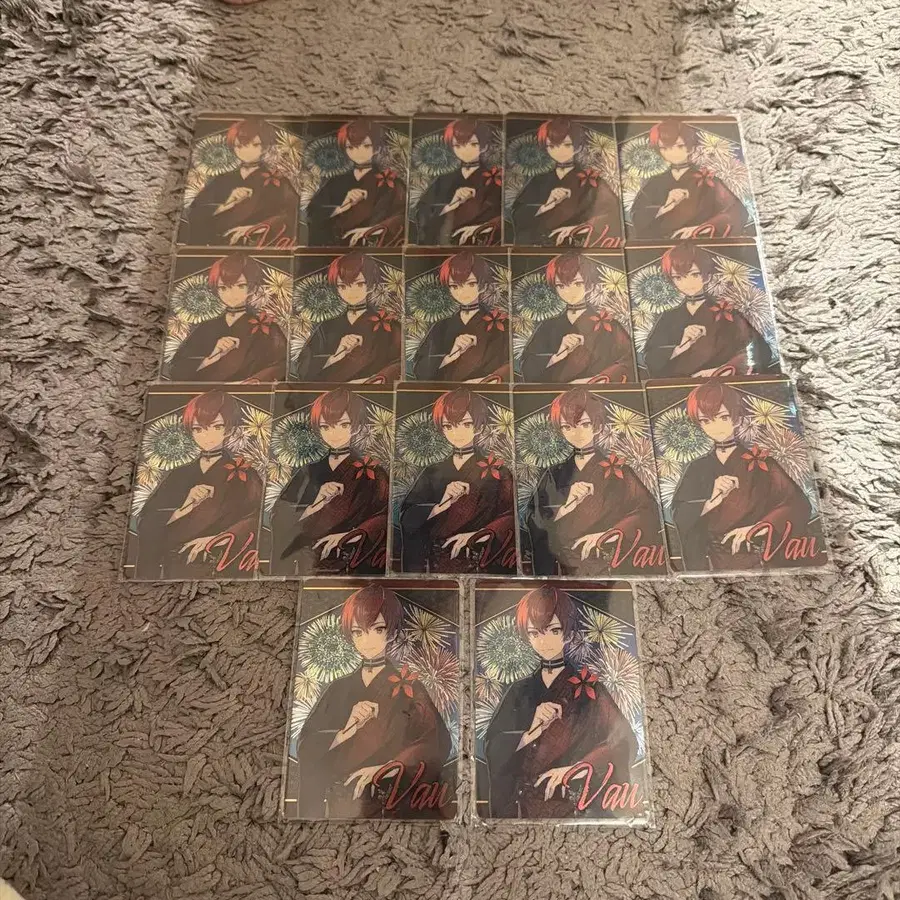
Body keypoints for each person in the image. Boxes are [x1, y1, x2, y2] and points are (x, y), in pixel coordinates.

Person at [292, 585, 451, 819]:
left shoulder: (410, 686)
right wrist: (342, 734)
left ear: (392, 632)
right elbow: (306, 745)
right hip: (340, 805)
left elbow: (435, 743)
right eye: (358, 632)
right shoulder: (338, 688)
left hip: (392, 802)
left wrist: (389, 768)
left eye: (377, 629)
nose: (367, 641)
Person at [484, 586, 636, 819]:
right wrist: (529, 733)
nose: (544, 641)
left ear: (568, 632)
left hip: (571, 805)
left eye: (553, 630)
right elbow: (492, 746)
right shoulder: (519, 690)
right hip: (521, 808)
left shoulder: (589, 687)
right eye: (535, 633)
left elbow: (624, 741)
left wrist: (578, 768)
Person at [671, 380, 816, 572]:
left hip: (757, 557)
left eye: (723, 417)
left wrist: (759, 527)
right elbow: (679, 513)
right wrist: (710, 502)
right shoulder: (697, 467)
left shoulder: (761, 462)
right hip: (713, 560)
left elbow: (797, 504)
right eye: (706, 421)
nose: (715, 426)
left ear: (737, 418)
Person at [525, 389, 665, 577]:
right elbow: (531, 516)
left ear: (597, 426)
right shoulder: (554, 473)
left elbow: (648, 511)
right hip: (560, 566)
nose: (576, 433)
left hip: (604, 561)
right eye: (567, 427)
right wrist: (564, 507)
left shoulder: (620, 471)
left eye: (584, 424)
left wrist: (611, 533)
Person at [135, 391, 262, 579]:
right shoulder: (179, 474)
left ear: (229, 429)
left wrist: (218, 538)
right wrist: (183, 509)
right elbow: (146, 520)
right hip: (175, 565)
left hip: (221, 560)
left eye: (216, 427)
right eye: (198, 429)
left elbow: (257, 517)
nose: (206, 435)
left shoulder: (244, 472)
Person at [269, 389, 389, 576]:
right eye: (326, 427)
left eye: (343, 424)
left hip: (351, 558)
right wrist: (315, 505)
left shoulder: (373, 471)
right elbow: (278, 515)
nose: (334, 433)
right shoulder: (309, 470)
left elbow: (385, 516)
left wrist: (352, 534)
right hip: (306, 561)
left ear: (357, 426)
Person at [399, 388, 515, 574]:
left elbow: (510, 517)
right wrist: (441, 506)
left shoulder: (498, 471)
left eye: (466, 424)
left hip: (480, 561)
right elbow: (407, 516)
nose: (457, 432)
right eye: (449, 426)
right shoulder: (432, 471)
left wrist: (479, 534)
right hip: (435, 563)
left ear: (479, 426)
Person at [642, 243, 773, 378]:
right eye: (678, 277)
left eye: (694, 274)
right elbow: (649, 358)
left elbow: (760, 352)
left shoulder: (727, 313)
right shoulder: (669, 317)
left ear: (707, 276)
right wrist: (680, 348)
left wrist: (722, 370)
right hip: (678, 385)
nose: (687, 283)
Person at [167, 254, 287, 382]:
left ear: (252, 288)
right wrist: (210, 358)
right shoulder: (206, 328)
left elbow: (283, 365)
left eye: (240, 286)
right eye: (223, 287)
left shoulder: (267, 326)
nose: (230, 294)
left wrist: (256, 380)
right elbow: (175, 369)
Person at [182, 117, 298, 247]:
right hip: (217, 244)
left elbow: (292, 214)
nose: (245, 150)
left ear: (266, 147)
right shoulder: (223, 179)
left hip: (259, 243)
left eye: (254, 144)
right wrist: (225, 205)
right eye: (239, 146)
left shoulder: (277, 180)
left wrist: (258, 227)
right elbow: (194, 211)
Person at [519, 252, 633, 383]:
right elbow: (527, 363)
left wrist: (600, 379)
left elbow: (630, 360)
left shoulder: (610, 325)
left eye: (577, 283)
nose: (569, 291)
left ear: (589, 285)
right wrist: (557, 356)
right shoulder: (548, 326)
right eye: (561, 286)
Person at [628, 118, 749, 240]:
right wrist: (664, 208)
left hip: (700, 241)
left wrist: (704, 227)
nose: (672, 152)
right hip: (660, 244)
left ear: (691, 148)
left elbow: (738, 212)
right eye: (664, 148)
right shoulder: (654, 182)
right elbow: (636, 215)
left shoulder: (708, 180)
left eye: (679, 146)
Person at [509, 117, 622, 246]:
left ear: (578, 146)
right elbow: (517, 212)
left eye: (567, 145)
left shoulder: (592, 180)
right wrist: (545, 206)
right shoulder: (539, 180)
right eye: (552, 146)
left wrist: (579, 228)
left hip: (577, 242)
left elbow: (614, 213)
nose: (560, 151)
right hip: (541, 245)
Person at [293, 252, 401, 383]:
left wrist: (376, 380)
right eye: (342, 286)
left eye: (359, 284)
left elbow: (400, 363)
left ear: (371, 285)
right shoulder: (326, 327)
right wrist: (335, 357)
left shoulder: (388, 324)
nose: (351, 292)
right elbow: (302, 366)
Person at [411, 251, 510, 382]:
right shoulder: (441, 326)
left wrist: (489, 380)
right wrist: (449, 357)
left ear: (483, 286)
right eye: (454, 286)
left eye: (471, 284)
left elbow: (510, 365)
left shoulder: (501, 324)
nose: (462, 292)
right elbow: (419, 368)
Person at [306, 119, 406, 247]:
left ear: (376, 148)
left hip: (371, 245)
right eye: (350, 147)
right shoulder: (336, 182)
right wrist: (340, 208)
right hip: (335, 246)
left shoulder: (390, 181)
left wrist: (374, 229)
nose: (358, 152)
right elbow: (312, 212)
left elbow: (402, 217)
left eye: (366, 146)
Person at [412, 118, 502, 245]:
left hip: (480, 242)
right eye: (458, 146)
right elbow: (421, 212)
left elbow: (508, 217)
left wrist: (486, 226)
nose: (465, 150)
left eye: (472, 144)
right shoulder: (444, 179)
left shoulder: (495, 179)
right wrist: (450, 206)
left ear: (484, 147)